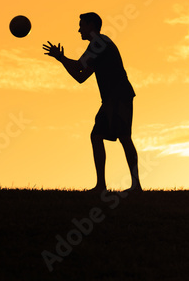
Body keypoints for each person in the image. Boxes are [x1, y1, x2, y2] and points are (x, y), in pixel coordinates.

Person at [44, 13, 142, 193]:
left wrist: (61, 58)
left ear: (91, 25)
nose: (79, 29)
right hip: (113, 98)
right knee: (98, 136)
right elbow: (80, 76)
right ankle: (102, 185)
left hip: (118, 96)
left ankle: (135, 186)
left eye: (81, 25)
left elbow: (79, 66)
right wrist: (62, 60)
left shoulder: (99, 43)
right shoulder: (99, 48)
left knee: (123, 136)